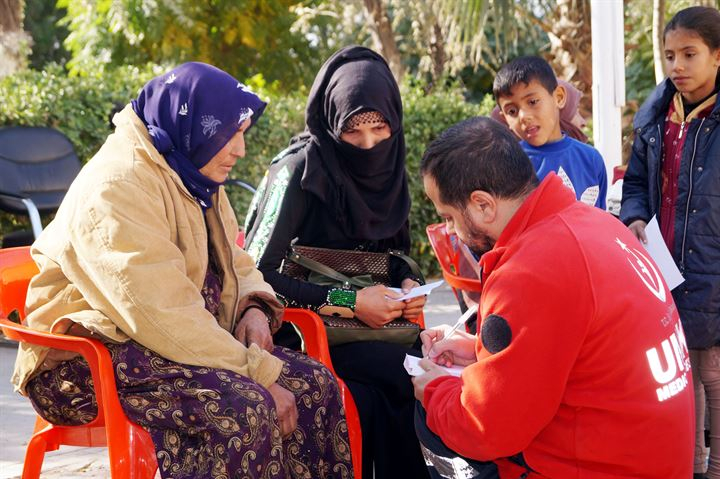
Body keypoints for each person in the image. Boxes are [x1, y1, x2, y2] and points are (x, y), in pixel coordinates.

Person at [11, 62, 352, 479]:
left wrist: (252, 306)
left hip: (172, 343)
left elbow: (237, 258)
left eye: (242, 133)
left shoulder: (193, 170)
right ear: (195, 126)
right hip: (87, 361)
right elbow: (162, 313)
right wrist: (258, 372)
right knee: (243, 410)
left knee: (315, 386)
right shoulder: (116, 187)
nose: (240, 150)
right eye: (230, 134)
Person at [414, 116, 694, 478]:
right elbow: (578, 347)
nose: (451, 230)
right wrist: (479, 351)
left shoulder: (530, 270)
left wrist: (433, 389)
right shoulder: (596, 223)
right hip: (649, 458)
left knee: (431, 420)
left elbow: (485, 429)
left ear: (483, 205)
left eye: (449, 217)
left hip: (596, 465)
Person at [244, 46, 430, 479]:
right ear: (330, 122)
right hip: (302, 331)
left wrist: (408, 286)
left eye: (379, 128)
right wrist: (349, 300)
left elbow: (393, 255)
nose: (369, 145)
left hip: (376, 328)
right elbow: (254, 273)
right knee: (403, 375)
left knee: (430, 369)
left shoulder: (390, 166)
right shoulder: (296, 171)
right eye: (353, 131)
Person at [620, 6, 720, 479]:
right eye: (669, 55)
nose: (677, 65)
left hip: (713, 263)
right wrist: (636, 217)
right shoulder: (655, 117)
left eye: (689, 54)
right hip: (665, 264)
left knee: (714, 374)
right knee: (681, 370)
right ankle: (692, 467)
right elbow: (637, 183)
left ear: (718, 57)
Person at [493, 56, 608, 210]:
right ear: (505, 119)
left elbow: (600, 222)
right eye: (512, 111)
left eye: (533, 102)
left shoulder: (591, 159)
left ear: (558, 97)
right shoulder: (507, 165)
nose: (523, 117)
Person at [491, 78, 589, 143]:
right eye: (575, 111)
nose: (583, 122)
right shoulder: (520, 172)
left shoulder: (589, 160)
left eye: (533, 102)